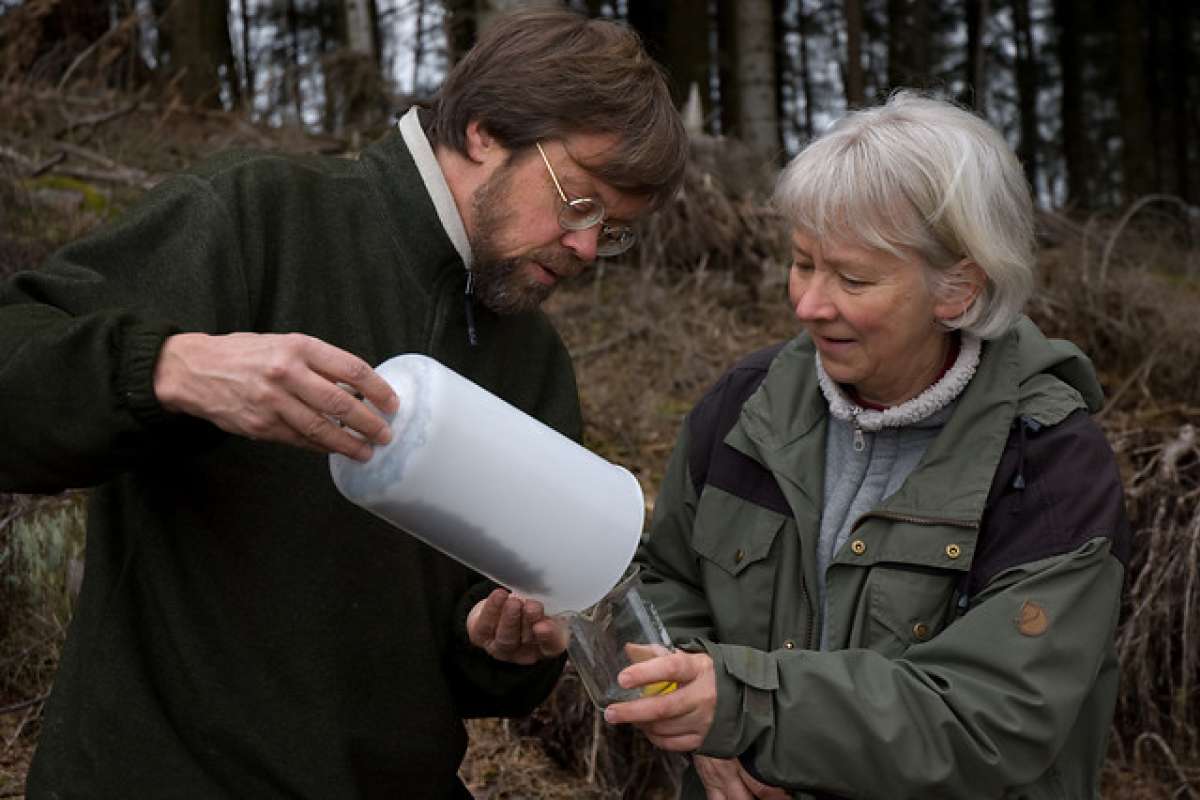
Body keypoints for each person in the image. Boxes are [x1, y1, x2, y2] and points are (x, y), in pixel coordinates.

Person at [0, 9, 686, 798]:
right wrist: (171, 368)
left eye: (616, 231)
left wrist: (495, 647)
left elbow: (479, 666)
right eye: (582, 203)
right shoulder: (261, 218)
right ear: (485, 130)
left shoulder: (533, 363)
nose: (589, 248)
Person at [602, 91, 1131, 799]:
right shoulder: (746, 406)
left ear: (959, 288)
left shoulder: (1046, 462)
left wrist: (748, 712)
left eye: (852, 278)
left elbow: (992, 717)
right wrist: (704, 719)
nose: (808, 304)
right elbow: (666, 582)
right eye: (801, 262)